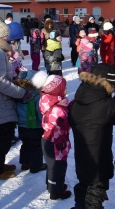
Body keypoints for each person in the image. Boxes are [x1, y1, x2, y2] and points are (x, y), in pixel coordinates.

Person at [69, 63, 115, 209]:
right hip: (99, 160)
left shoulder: (80, 95)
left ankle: (79, 206)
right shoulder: (106, 104)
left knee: (84, 186)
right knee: (95, 194)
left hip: (82, 157)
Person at [0, 20, 33, 180]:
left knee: (2, 136)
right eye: (6, 36)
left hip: (1, 101)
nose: (9, 40)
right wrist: (21, 92)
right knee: (3, 137)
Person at [32, 71, 72, 200]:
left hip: (48, 140)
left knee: (52, 166)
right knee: (58, 168)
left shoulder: (49, 101)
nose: (66, 90)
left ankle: (52, 186)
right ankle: (56, 192)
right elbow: (64, 124)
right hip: (56, 143)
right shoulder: (57, 109)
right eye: (63, 87)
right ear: (57, 89)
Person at [15, 70, 47, 173]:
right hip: (34, 125)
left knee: (25, 143)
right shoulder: (36, 93)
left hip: (22, 125)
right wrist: (44, 122)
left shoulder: (19, 92)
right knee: (36, 145)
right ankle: (36, 166)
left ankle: (25, 163)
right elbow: (39, 110)